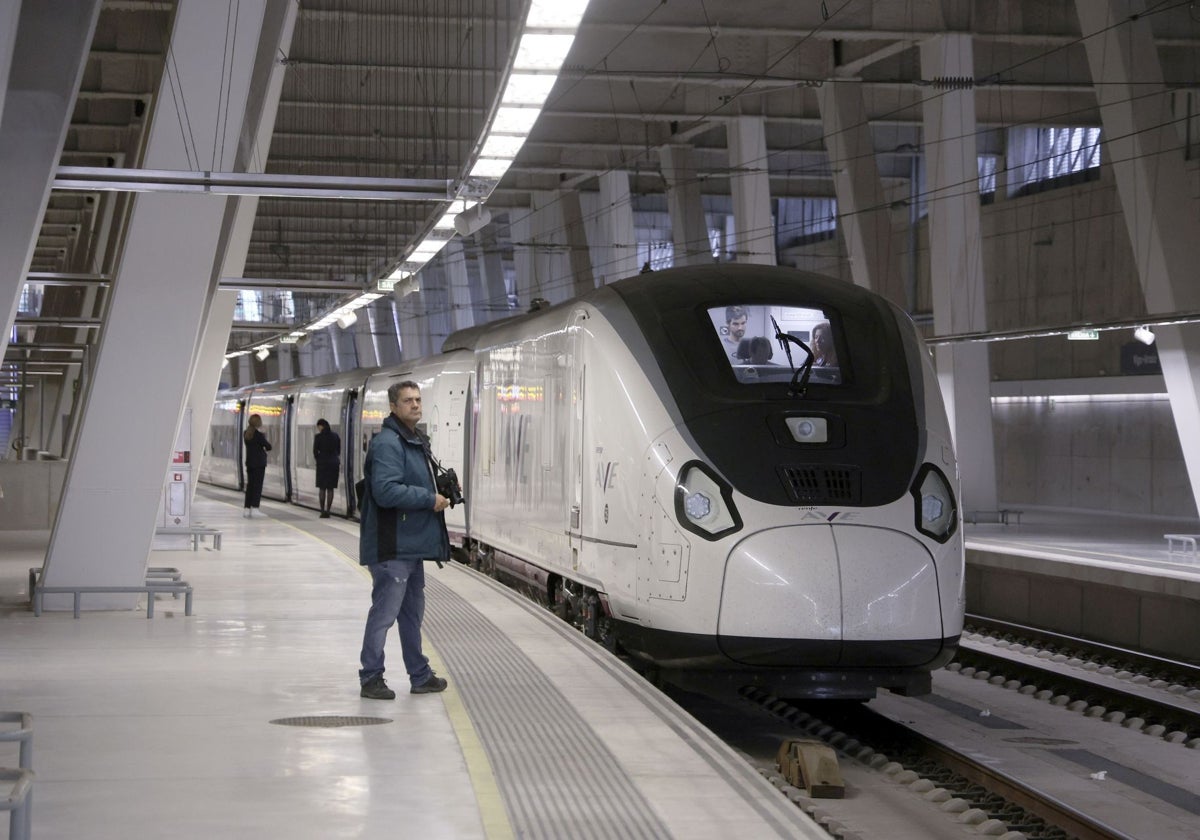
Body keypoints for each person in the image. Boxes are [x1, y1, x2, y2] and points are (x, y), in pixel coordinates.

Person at [358, 380, 450, 700]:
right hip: (391, 544)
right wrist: (428, 498)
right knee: (384, 613)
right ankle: (371, 676)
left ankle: (419, 675)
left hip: (411, 545)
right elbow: (385, 491)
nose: (415, 404)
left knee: (411, 614)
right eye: (408, 400)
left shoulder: (414, 440)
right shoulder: (388, 443)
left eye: (418, 399)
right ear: (394, 407)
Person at [243, 413, 271, 517]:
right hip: (259, 464)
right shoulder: (259, 436)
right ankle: (255, 508)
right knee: (257, 486)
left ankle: (246, 509)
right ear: (258, 423)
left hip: (250, 464)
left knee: (250, 486)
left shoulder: (246, 434)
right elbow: (269, 446)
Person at [313, 418, 341, 518]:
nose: (318, 429)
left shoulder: (318, 437)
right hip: (334, 464)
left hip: (322, 464)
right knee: (330, 489)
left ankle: (322, 511)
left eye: (318, 427)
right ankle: (328, 510)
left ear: (321, 426)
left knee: (322, 488)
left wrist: (319, 459)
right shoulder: (336, 436)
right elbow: (338, 450)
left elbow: (315, 451)